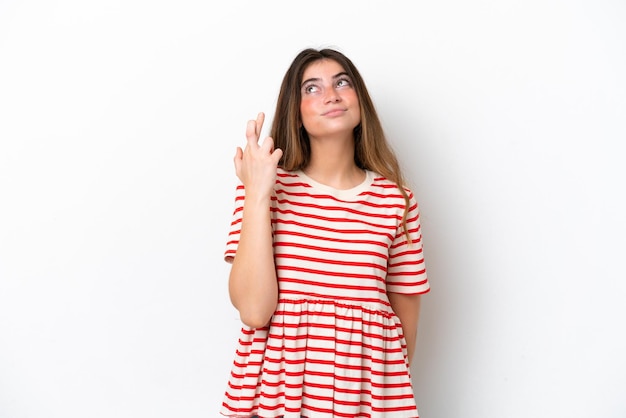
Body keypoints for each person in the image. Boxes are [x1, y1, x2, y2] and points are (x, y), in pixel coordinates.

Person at [221, 47, 430, 418]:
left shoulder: (397, 201)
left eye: (342, 82)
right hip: (276, 400)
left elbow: (403, 338)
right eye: (311, 88)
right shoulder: (265, 186)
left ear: (359, 101)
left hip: (364, 400)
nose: (331, 95)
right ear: (296, 113)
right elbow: (254, 312)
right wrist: (257, 193)